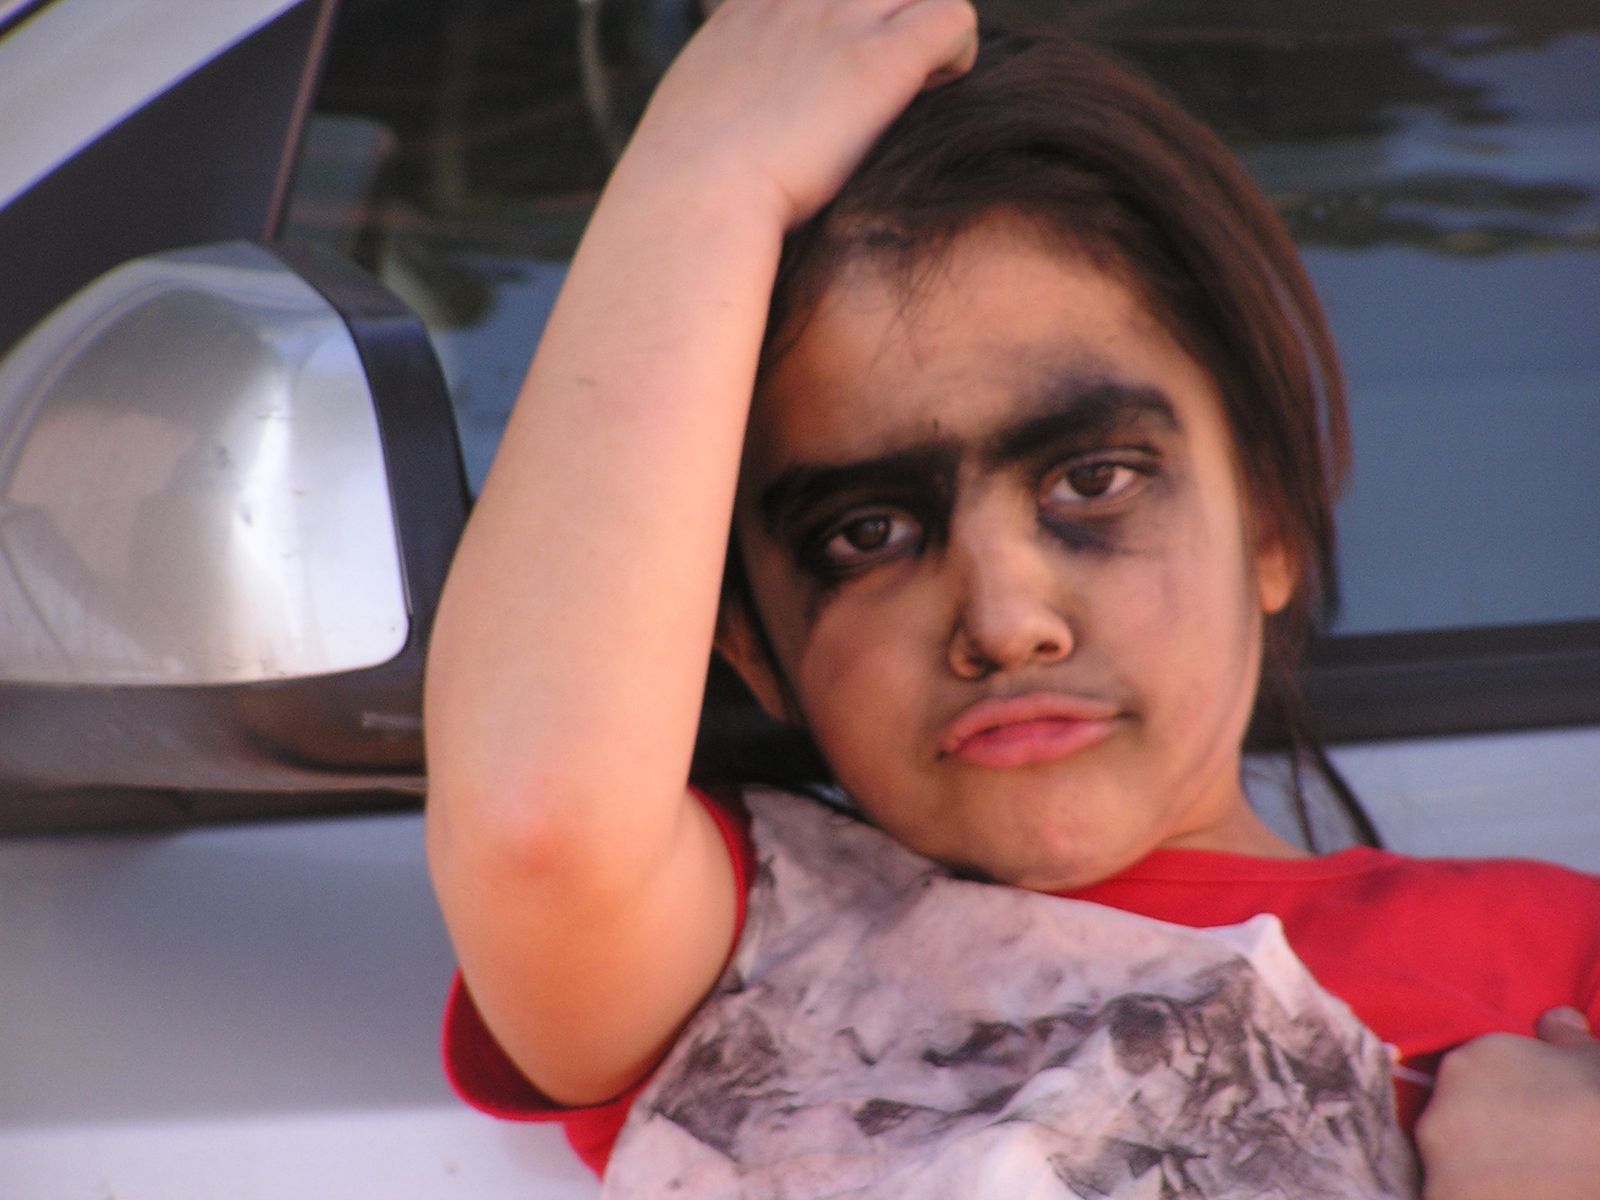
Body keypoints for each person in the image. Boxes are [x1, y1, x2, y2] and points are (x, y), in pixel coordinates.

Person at [423, 2, 1600, 1196]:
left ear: (1266, 526)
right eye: (867, 534)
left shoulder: (1561, 966)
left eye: (1093, 481)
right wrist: (703, 180)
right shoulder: (744, 958)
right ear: (749, 646)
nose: (1004, 621)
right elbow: (539, 823)